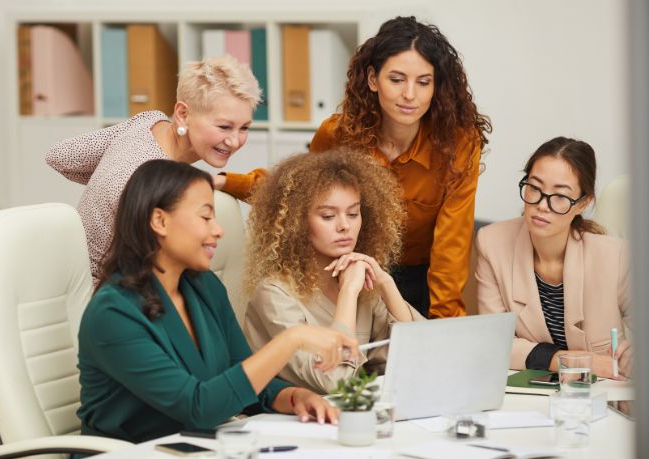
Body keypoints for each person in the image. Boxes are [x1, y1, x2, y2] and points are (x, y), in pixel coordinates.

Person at [222, 16, 492, 319]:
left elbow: (451, 247)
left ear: (436, 86)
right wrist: (223, 181)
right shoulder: (339, 133)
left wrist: (443, 327)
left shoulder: (458, 143)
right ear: (373, 79)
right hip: (349, 273)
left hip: (424, 280)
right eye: (397, 79)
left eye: (423, 82)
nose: (410, 95)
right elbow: (294, 190)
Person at [77, 160, 358, 443]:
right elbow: (198, 408)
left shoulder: (204, 286)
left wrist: (294, 396)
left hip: (196, 446)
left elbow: (243, 374)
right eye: (206, 217)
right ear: (160, 221)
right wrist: (292, 340)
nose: (218, 230)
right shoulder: (113, 312)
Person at [46, 55, 266, 279]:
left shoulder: (148, 122)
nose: (235, 141)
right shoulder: (160, 185)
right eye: (224, 127)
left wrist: (221, 180)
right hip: (112, 295)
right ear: (183, 114)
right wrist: (120, 187)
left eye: (244, 128)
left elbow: (61, 155)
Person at [243, 152, 424, 394]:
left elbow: (420, 358)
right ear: (297, 223)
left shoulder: (365, 286)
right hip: (289, 423)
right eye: (328, 216)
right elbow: (335, 382)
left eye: (353, 214)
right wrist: (348, 293)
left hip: (345, 419)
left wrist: (385, 283)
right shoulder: (274, 295)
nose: (344, 226)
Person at [476, 137, 632, 379]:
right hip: (527, 396)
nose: (542, 205)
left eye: (560, 196)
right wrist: (577, 361)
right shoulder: (492, 243)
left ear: (583, 203)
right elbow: (493, 343)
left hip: (605, 396)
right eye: (535, 188)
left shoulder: (616, 256)